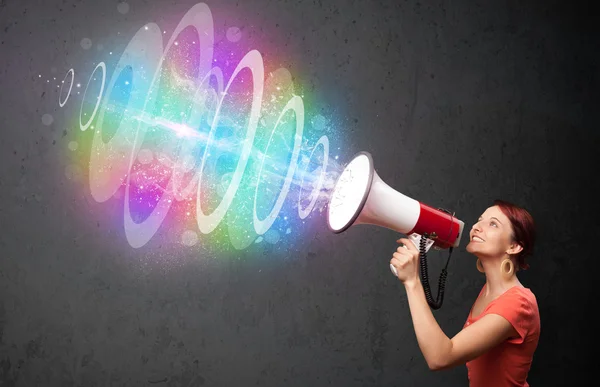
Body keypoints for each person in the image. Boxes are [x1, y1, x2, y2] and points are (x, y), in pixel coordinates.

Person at [390, 199, 540, 387]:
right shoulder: (488, 291)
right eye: (480, 219)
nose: (477, 227)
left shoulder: (518, 303)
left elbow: (440, 357)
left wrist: (412, 282)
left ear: (514, 246)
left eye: (493, 224)